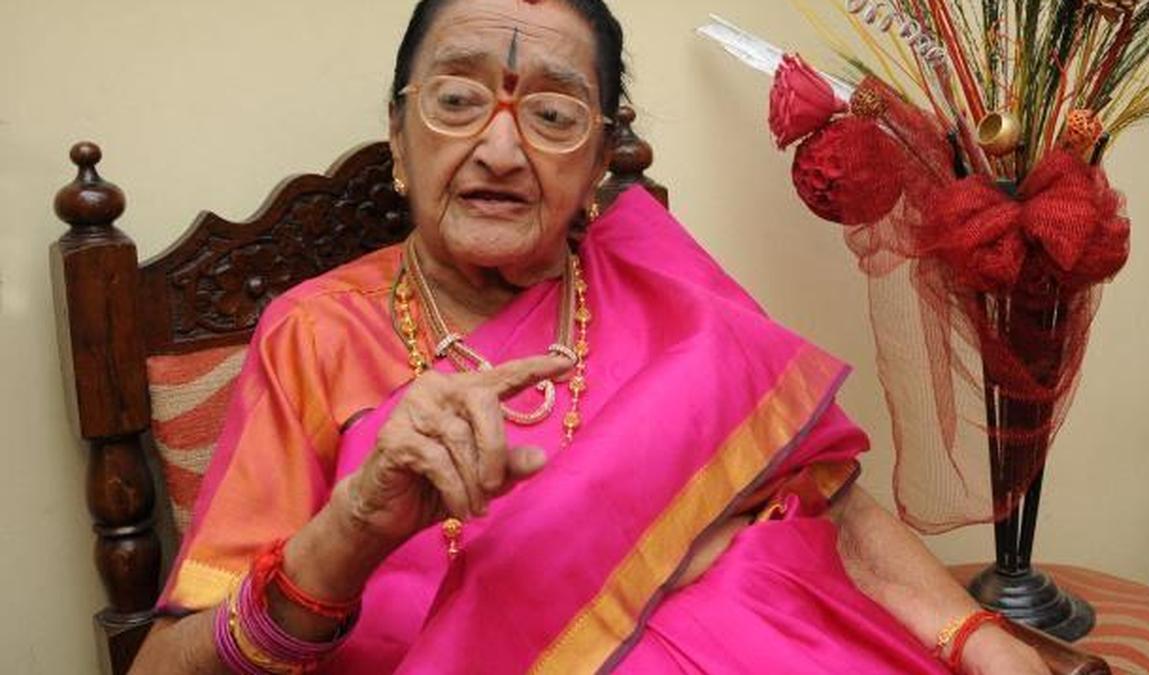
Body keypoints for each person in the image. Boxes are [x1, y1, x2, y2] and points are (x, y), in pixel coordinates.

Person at [132, 0, 1051, 672]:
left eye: (553, 116)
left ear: (600, 159)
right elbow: (169, 665)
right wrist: (351, 530)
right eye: (457, 100)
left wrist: (982, 640)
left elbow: (838, 507)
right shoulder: (315, 335)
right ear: (399, 138)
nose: (500, 150)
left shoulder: (665, 284)